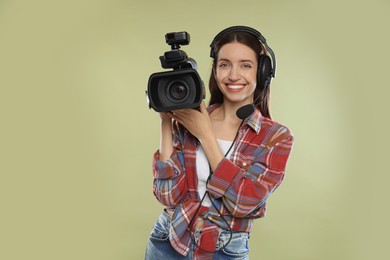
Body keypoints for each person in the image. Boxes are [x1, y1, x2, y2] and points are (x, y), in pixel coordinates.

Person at [145, 26, 294, 260]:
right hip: (168, 241)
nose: (233, 75)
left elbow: (244, 203)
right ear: (215, 71)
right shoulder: (190, 120)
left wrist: (206, 136)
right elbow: (168, 197)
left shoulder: (276, 137)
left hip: (225, 249)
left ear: (263, 72)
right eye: (225, 64)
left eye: (245, 65)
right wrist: (166, 121)